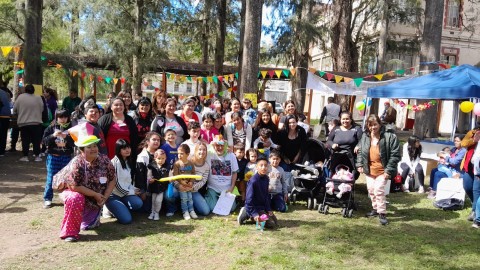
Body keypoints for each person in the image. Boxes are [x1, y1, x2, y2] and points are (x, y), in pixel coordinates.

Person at [58, 135, 116, 242]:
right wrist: (95, 194)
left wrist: (105, 197)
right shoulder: (77, 162)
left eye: (95, 146)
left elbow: (112, 178)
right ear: (82, 150)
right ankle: (70, 233)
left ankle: (87, 217)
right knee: (75, 198)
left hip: (95, 200)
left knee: (88, 225)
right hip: (73, 192)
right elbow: (73, 186)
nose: (93, 149)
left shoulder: (104, 160)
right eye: (89, 147)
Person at [356, 114, 400, 226]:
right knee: (371, 190)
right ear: (367, 126)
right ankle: (375, 209)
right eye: (370, 125)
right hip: (370, 170)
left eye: (375, 124)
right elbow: (361, 151)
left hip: (383, 170)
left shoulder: (389, 136)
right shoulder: (365, 136)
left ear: (380, 124)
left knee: (378, 190)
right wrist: (360, 164)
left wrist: (388, 171)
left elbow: (395, 155)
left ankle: (382, 213)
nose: (373, 127)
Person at [164, 142, 211, 217]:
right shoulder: (187, 159)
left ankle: (190, 209)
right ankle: (174, 208)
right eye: (199, 149)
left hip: (193, 189)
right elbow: (173, 173)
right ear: (195, 151)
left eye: (204, 150)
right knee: (169, 195)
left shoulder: (206, 166)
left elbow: (203, 181)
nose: (202, 152)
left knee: (205, 211)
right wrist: (179, 185)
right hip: (180, 186)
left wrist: (192, 187)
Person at [42, 109, 75, 208]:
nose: (63, 119)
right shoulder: (51, 128)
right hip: (53, 157)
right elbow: (44, 141)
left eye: (65, 117)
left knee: (66, 178)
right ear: (57, 118)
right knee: (51, 178)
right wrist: (53, 136)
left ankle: (66, 198)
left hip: (66, 157)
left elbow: (75, 143)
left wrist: (67, 138)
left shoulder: (71, 129)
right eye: (60, 117)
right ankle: (47, 198)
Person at [105, 139, 143, 224]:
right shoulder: (115, 162)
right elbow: (116, 184)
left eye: (128, 147)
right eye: (124, 148)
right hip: (113, 195)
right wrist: (132, 192)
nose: (127, 150)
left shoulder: (127, 161)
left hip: (124, 194)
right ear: (118, 150)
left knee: (138, 203)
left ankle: (121, 209)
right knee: (126, 220)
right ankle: (111, 209)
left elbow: (127, 181)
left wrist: (134, 189)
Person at [237, 155, 278, 228]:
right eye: (261, 165)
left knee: (275, 222)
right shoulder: (253, 181)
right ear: (257, 167)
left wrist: (268, 209)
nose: (263, 168)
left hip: (261, 207)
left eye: (265, 166)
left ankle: (256, 215)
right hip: (253, 207)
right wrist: (255, 213)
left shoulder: (266, 179)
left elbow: (266, 196)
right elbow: (249, 199)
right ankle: (247, 212)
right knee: (271, 224)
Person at [204, 135, 239, 213]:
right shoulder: (209, 154)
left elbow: (234, 172)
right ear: (214, 145)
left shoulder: (231, 155)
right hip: (212, 188)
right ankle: (211, 198)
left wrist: (232, 187)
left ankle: (227, 200)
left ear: (225, 145)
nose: (220, 147)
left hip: (227, 189)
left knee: (232, 209)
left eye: (222, 145)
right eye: (217, 145)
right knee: (211, 208)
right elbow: (202, 148)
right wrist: (212, 144)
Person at [13, 84, 44, 162]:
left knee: (25, 140)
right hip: (36, 122)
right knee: (36, 140)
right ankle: (37, 156)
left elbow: (15, 109)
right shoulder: (38, 97)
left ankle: (25, 156)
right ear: (34, 90)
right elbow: (42, 109)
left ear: (25, 90)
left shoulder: (20, 97)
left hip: (24, 123)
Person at [135, 132, 162, 212]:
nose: (156, 142)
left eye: (158, 140)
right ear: (147, 142)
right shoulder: (142, 157)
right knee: (145, 210)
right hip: (147, 190)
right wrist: (142, 192)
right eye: (154, 139)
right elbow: (139, 177)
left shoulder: (161, 153)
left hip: (158, 187)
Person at [172, 144, 197, 220]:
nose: (179, 155)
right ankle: (185, 212)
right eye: (178, 153)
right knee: (184, 198)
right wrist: (181, 182)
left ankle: (191, 210)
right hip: (181, 185)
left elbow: (193, 173)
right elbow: (175, 175)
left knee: (190, 198)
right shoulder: (177, 164)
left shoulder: (191, 163)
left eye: (181, 153)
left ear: (188, 154)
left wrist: (191, 182)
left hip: (189, 185)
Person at [461, 128, 480, 221]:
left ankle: (474, 211)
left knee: (476, 190)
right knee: (467, 186)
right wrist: (474, 140)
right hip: (469, 166)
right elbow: (463, 144)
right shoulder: (472, 132)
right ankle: (476, 205)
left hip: (478, 168)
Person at [146, 149, 169, 221]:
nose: (161, 160)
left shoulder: (167, 166)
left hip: (161, 188)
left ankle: (156, 213)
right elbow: (149, 176)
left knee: (158, 201)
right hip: (153, 187)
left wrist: (170, 179)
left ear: (165, 158)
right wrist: (150, 180)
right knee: (153, 200)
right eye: (159, 158)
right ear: (155, 158)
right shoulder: (151, 166)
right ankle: (152, 212)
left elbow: (170, 176)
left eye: (163, 158)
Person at [0, 86, 12, 156]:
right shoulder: (5, 93)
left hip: (1, 115)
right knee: (3, 134)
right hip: (6, 116)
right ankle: (2, 151)